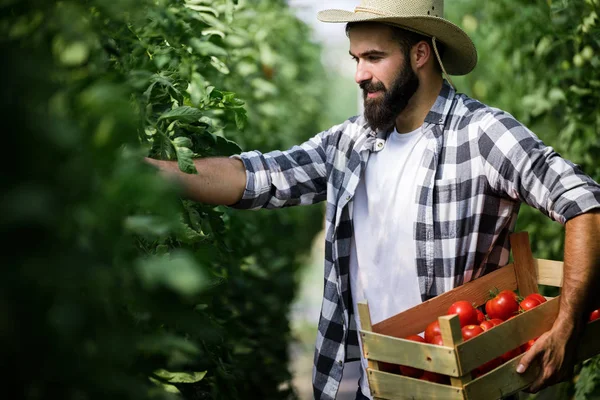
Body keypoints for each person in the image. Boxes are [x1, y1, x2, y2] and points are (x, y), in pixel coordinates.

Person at [145, 0, 600, 399]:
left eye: (374, 57)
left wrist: (568, 327)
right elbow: (258, 177)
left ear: (420, 53)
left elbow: (585, 204)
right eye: (355, 58)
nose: (360, 74)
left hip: (459, 387)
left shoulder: (482, 134)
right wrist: (156, 174)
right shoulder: (352, 141)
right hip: (373, 386)